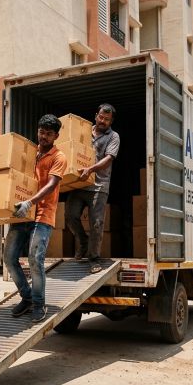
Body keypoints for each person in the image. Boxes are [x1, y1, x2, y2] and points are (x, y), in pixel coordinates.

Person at [5, 114, 68, 323]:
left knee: (35, 259)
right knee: (9, 258)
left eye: (49, 134)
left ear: (56, 136)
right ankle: (27, 296)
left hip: (42, 213)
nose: (44, 137)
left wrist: (29, 203)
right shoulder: (29, 152)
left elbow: (51, 185)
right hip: (23, 213)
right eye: (41, 132)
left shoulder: (59, 157)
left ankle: (39, 305)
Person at [65, 103, 120, 274]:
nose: (103, 121)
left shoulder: (113, 137)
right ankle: (82, 241)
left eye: (107, 119)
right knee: (70, 216)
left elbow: (109, 158)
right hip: (79, 183)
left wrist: (90, 169)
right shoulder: (84, 130)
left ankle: (94, 258)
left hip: (99, 186)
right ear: (96, 115)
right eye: (101, 117)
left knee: (96, 223)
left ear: (111, 122)